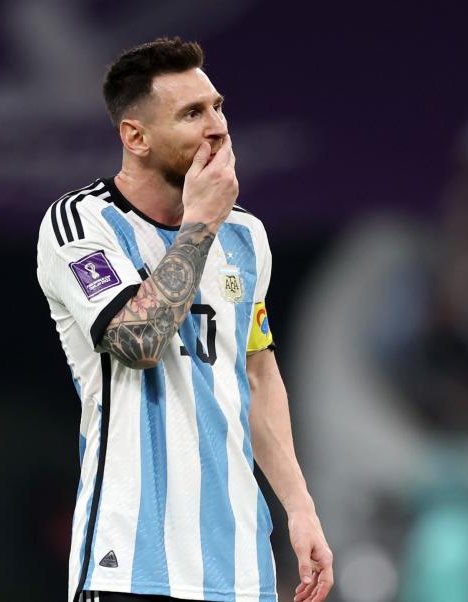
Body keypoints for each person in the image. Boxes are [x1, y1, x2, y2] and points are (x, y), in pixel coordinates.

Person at [36, 37, 332, 602]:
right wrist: (199, 224)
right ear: (135, 136)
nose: (217, 126)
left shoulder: (246, 235)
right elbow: (138, 340)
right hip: (131, 565)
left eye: (218, 107)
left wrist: (300, 509)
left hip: (242, 568)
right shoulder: (81, 224)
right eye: (192, 113)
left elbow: (257, 374)